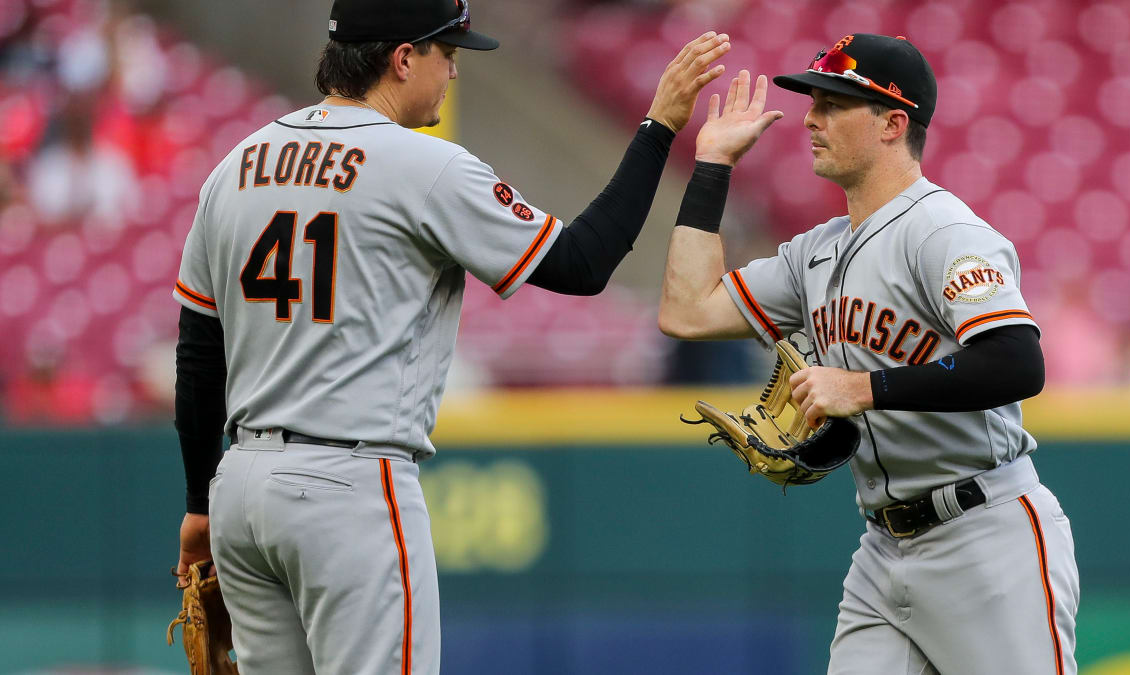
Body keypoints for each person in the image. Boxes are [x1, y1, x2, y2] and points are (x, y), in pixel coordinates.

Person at [170, 0, 733, 670]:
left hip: (241, 488)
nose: (455, 73)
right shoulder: (422, 165)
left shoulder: (236, 164)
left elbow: (198, 353)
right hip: (350, 485)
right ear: (403, 57)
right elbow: (584, 263)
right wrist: (660, 125)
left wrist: (201, 504)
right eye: (449, 53)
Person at [658, 34, 1079, 675]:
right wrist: (712, 165)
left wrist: (865, 388)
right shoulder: (813, 252)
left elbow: (1018, 364)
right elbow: (686, 311)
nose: (809, 118)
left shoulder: (944, 232)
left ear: (892, 123)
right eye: (813, 101)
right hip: (883, 549)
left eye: (833, 103)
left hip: (986, 537)